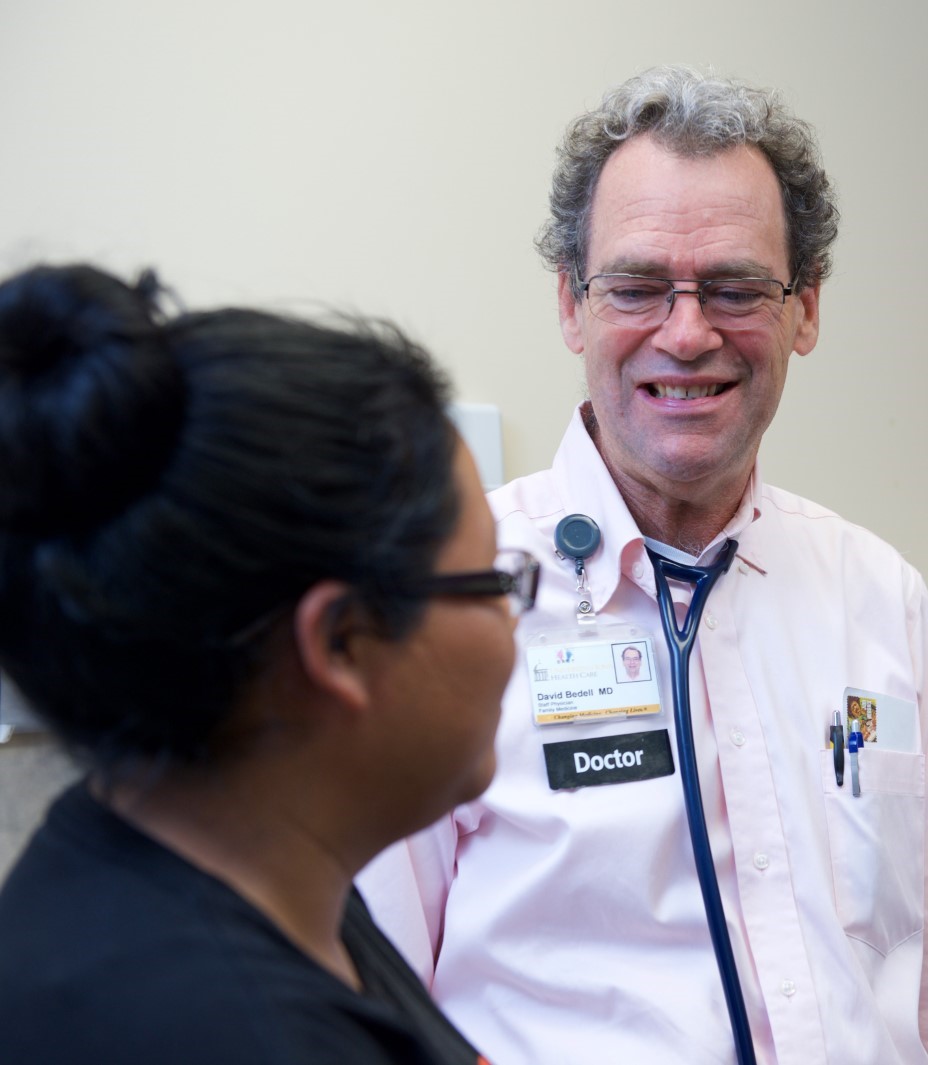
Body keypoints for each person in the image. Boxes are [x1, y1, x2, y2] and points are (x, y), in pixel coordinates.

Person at [358, 66, 928, 1064]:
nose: (688, 332)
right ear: (573, 306)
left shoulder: (875, 591)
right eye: (636, 287)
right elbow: (376, 994)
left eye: (737, 287)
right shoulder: (448, 590)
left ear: (806, 309)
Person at [0, 263, 535, 1064]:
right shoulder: (229, 1032)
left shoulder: (210, 875)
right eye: (493, 580)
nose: (511, 622)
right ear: (340, 640)